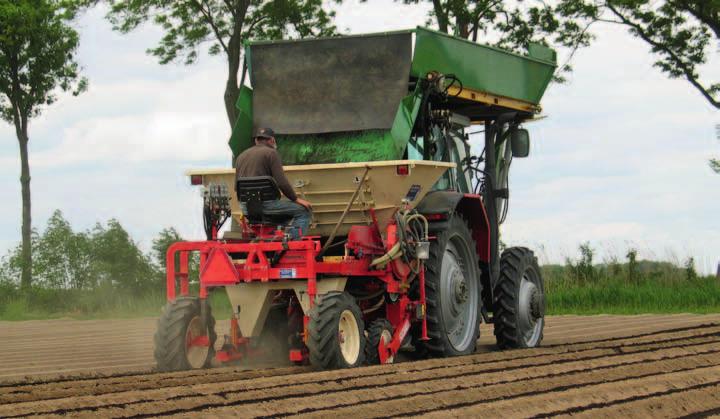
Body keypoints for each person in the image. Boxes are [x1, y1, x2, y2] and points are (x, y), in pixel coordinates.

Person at [235, 127, 312, 238]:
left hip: (246, 208)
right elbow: (281, 182)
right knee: (303, 211)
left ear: (256, 140)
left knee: (283, 215)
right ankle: (290, 245)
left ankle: (275, 240)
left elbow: (237, 188)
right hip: (267, 206)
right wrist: (296, 199)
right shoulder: (271, 153)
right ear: (272, 140)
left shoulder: (240, 156)